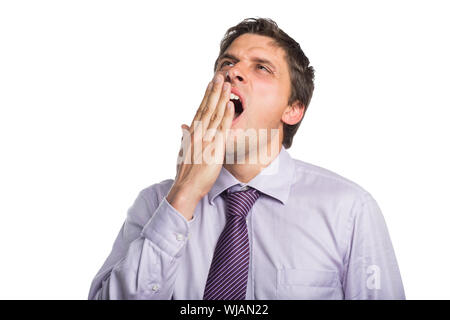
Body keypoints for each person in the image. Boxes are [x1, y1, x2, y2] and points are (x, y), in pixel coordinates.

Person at [88, 17, 405, 300]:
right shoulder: (156, 203)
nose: (233, 72)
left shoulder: (348, 209)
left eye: (261, 67)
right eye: (227, 63)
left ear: (293, 109)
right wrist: (183, 194)